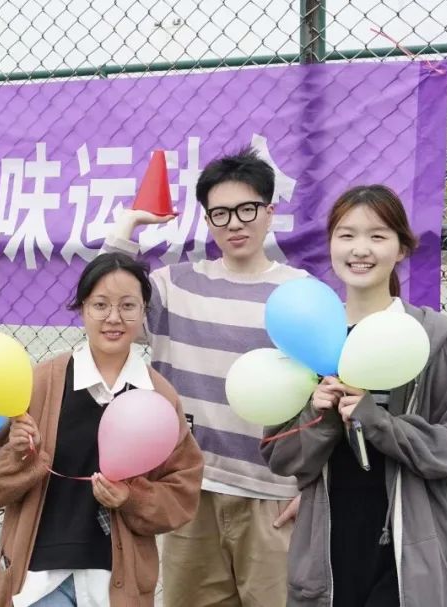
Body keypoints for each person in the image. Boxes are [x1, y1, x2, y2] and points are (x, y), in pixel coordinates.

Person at [261, 185, 447, 607]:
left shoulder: (431, 339)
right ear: (330, 244)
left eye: (377, 236)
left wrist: (380, 424)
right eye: (346, 235)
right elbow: (280, 456)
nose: (360, 249)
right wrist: (320, 418)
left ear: (401, 248)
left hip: (408, 543)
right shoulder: (309, 335)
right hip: (328, 544)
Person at [104, 147, 306, 606]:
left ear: (270, 212)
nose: (235, 223)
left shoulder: (300, 294)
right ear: (208, 220)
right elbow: (108, 300)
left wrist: (315, 485)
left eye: (247, 209)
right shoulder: (173, 286)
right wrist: (127, 226)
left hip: (272, 495)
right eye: (220, 213)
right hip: (192, 490)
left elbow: (325, 398)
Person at [0, 252, 203, 607]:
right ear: (82, 308)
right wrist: (19, 453)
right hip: (39, 580)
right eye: (100, 305)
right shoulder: (42, 382)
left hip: (115, 583)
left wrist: (131, 497)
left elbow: (182, 493)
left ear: (144, 311)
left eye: (127, 305)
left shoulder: (160, 396)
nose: (114, 317)